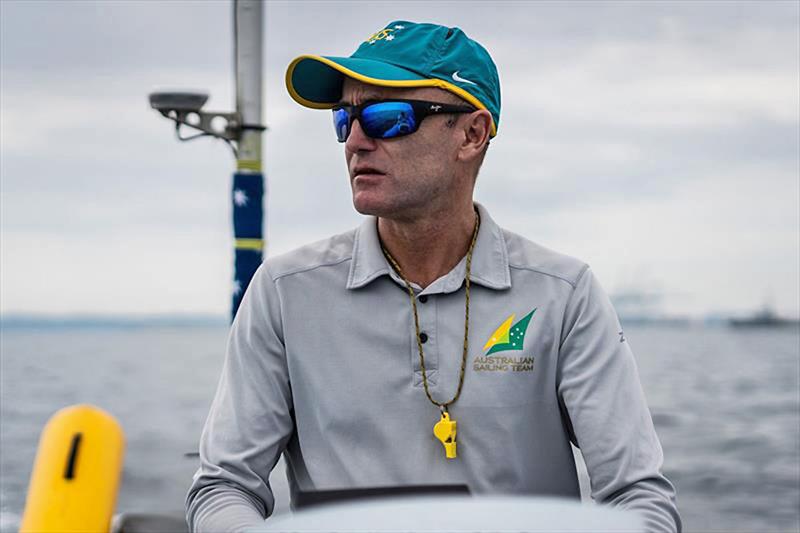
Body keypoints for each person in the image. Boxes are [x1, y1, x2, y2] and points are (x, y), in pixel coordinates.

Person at [186, 21, 681, 533]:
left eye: (386, 117)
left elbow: (638, 497)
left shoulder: (564, 295)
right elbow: (224, 486)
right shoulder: (284, 293)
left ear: (472, 134)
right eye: (344, 119)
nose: (355, 141)